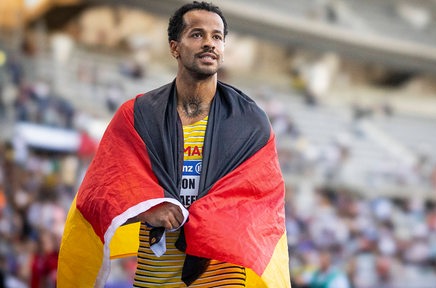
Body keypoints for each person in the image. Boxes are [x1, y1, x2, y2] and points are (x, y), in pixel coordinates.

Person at [57, 1, 290, 287]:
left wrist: (208, 221)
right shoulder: (138, 117)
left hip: (221, 279)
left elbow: (263, 208)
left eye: (217, 37)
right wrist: (145, 208)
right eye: (196, 34)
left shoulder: (250, 123)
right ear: (174, 47)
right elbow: (97, 197)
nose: (209, 43)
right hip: (155, 279)